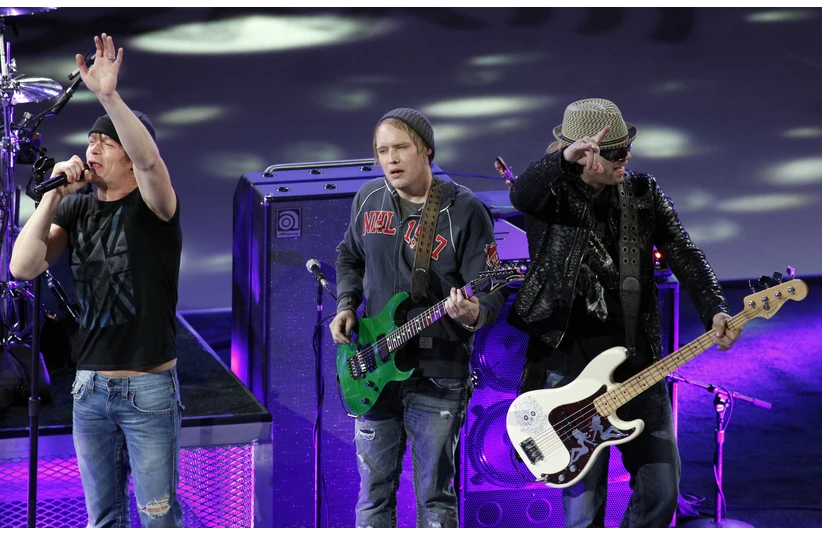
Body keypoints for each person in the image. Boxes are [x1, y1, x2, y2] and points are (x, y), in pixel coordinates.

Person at [506, 98, 742, 528]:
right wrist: (563, 159)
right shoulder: (551, 197)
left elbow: (685, 253)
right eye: (614, 151)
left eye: (626, 148)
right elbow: (521, 192)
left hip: (637, 365)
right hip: (568, 373)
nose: (626, 158)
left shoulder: (642, 192)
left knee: (661, 493)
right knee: (583, 512)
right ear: (585, 153)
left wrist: (715, 309)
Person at [10, 33, 183, 528]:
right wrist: (52, 197)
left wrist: (108, 95)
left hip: (147, 388)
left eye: (106, 142)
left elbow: (150, 161)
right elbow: (22, 267)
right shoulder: (79, 207)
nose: (93, 149)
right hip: (90, 390)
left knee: (158, 520)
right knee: (102, 520)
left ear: (128, 156)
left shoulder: (155, 205)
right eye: (90, 141)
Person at [330, 108, 508, 528]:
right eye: (382, 151)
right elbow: (348, 256)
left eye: (400, 148)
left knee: (435, 499)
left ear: (426, 150)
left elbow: (491, 286)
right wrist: (346, 305)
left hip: (438, 371)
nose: (390, 159)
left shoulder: (464, 210)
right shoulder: (369, 198)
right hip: (372, 366)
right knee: (373, 499)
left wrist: (475, 313)